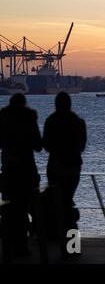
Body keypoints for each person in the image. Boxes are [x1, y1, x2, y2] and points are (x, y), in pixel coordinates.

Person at [0, 93, 42, 256]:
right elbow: (38, 146)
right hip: (27, 171)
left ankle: (11, 243)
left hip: (9, 171)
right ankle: (26, 240)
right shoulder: (29, 119)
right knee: (27, 205)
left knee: (11, 208)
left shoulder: (2, 119)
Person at [43, 92, 87, 233]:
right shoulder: (79, 122)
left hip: (55, 167)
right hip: (73, 167)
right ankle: (72, 244)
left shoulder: (50, 121)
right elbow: (82, 146)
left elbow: (46, 145)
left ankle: (59, 236)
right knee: (68, 201)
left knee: (58, 203)